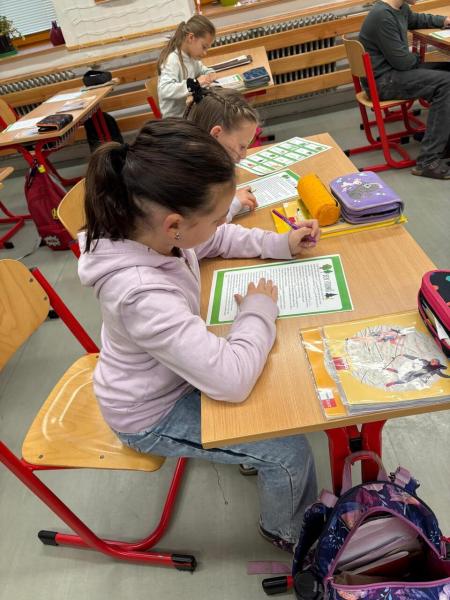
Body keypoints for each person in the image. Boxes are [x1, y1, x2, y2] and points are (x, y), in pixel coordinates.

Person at [78, 118, 320, 552]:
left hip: (174, 376)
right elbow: (231, 380)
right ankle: (289, 532)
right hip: (150, 413)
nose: (221, 223)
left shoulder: (155, 234)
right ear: (174, 224)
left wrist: (280, 244)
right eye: (214, 216)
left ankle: (248, 454)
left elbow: (215, 238)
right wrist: (258, 310)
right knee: (290, 451)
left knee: (277, 394)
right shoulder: (140, 294)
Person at [359, 0, 450, 180]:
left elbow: (416, 19)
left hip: (392, 73)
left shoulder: (399, 8)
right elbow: (403, 62)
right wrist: (416, 56)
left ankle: (444, 142)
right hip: (383, 82)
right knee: (447, 83)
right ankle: (428, 161)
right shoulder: (382, 16)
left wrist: (444, 20)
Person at [185, 83, 259, 220]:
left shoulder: (198, 160)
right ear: (216, 134)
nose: (244, 155)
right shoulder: (191, 179)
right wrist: (234, 204)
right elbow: (207, 228)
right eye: (241, 147)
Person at [157, 15, 216, 118]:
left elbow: (203, 70)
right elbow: (164, 89)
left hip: (190, 113)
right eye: (204, 47)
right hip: (176, 120)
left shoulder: (192, 57)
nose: (205, 53)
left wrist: (209, 74)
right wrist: (195, 83)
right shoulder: (172, 60)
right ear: (191, 38)